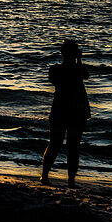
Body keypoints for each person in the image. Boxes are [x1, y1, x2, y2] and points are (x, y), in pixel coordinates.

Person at [40, 39, 90, 187]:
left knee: (60, 144)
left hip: (64, 110)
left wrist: (78, 61)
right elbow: (84, 75)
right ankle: (65, 179)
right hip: (70, 110)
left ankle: (50, 177)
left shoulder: (57, 69)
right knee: (67, 145)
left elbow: (85, 75)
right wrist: (78, 60)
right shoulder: (60, 69)